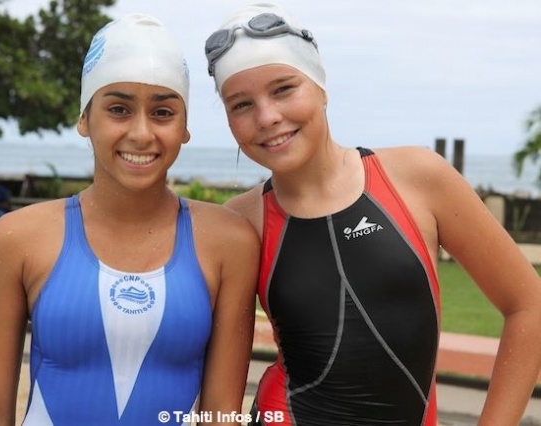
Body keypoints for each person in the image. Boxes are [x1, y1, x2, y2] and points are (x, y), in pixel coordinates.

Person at [204, 3, 541, 425]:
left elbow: (529, 305)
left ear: (320, 86)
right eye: (241, 105)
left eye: (284, 89)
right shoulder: (239, 222)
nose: (267, 117)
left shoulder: (418, 178)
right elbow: (216, 389)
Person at [0, 14, 259, 426]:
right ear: (84, 119)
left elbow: (222, 416)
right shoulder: (19, 238)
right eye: (119, 109)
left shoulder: (228, 242)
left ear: (185, 128)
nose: (141, 133)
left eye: (163, 112)